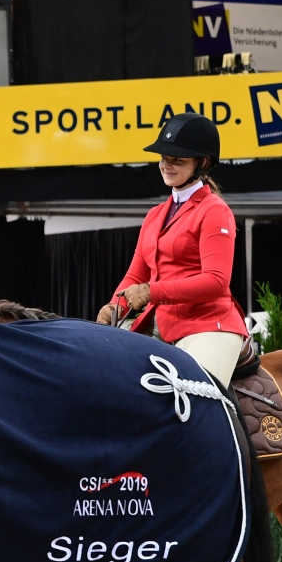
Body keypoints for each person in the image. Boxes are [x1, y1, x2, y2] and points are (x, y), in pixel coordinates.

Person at [95, 114, 248, 388]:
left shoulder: (215, 211)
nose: (167, 165)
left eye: (178, 160)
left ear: (201, 163)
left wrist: (153, 292)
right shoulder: (155, 215)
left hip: (207, 325)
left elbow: (216, 281)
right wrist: (115, 305)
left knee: (196, 397)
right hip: (158, 324)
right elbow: (135, 274)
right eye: (164, 157)